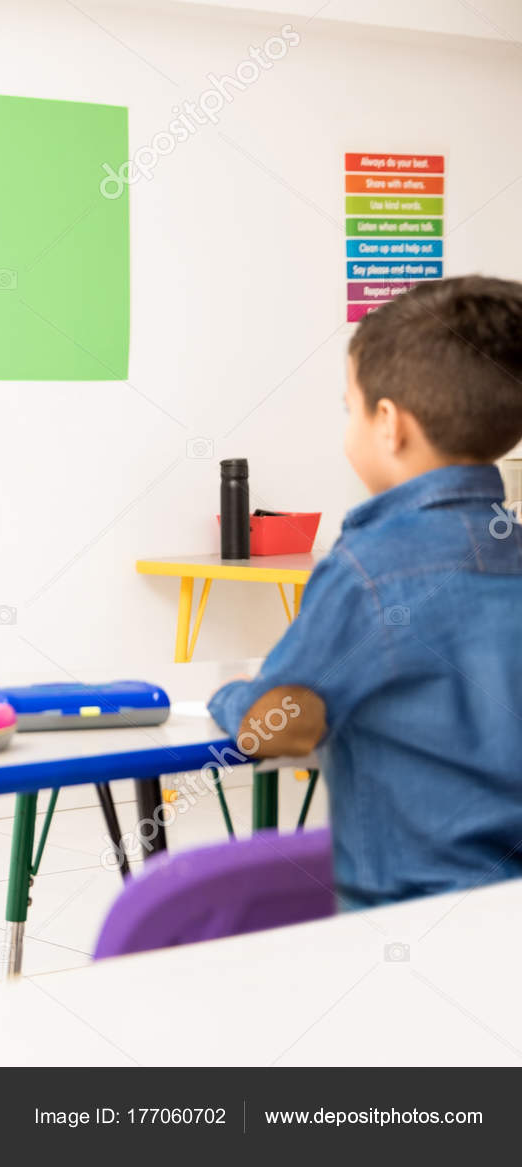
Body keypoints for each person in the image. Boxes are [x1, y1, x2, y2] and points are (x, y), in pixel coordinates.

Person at [208, 275, 522, 910]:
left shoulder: (370, 568)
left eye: (349, 407)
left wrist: (229, 697)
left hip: (408, 911)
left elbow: (277, 726)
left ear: (388, 423)